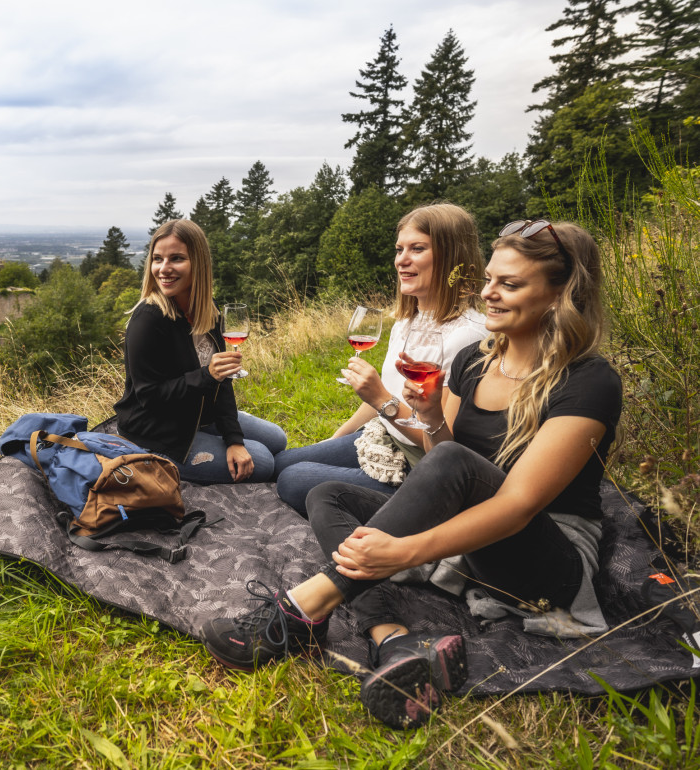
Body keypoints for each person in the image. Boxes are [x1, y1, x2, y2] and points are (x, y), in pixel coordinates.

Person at [200, 219, 623, 729]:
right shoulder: (474, 360)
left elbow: (518, 505)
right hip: (472, 544)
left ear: (561, 296)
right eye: (489, 278)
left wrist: (404, 551)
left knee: (446, 468)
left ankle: (299, 612)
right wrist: (430, 418)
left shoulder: (589, 380)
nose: (488, 293)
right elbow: (445, 454)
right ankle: (393, 640)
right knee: (328, 494)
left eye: (510, 284)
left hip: (545, 561)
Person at [273, 203, 487, 515]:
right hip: (383, 436)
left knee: (292, 479)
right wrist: (331, 442)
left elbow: (445, 446)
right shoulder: (407, 321)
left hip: (418, 465)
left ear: (452, 256)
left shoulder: (467, 336)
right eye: (400, 249)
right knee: (282, 462)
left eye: (417, 248)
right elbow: (381, 398)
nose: (402, 260)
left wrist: (383, 400)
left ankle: (402, 513)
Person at [114, 219, 286, 483]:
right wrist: (207, 376)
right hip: (156, 430)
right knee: (262, 461)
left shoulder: (208, 311)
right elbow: (150, 396)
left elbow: (222, 382)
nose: (164, 269)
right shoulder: (148, 319)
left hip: (199, 414)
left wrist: (234, 439)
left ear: (199, 263)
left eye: (177, 259)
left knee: (277, 438)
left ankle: (291, 469)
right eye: (157, 259)